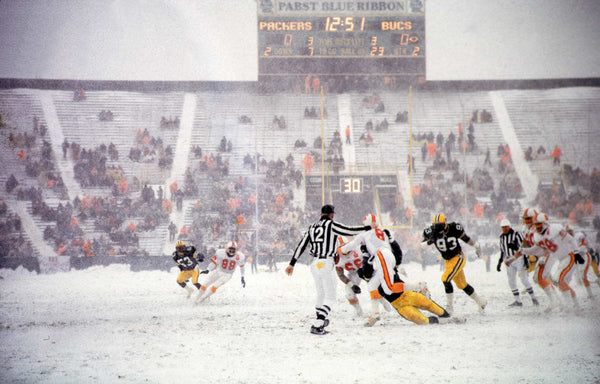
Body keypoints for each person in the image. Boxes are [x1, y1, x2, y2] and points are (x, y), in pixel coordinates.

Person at [285, 204, 372, 335]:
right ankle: (318, 324)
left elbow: (301, 245)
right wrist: (367, 228)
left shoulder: (312, 227)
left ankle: (320, 318)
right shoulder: (331, 225)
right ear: (331, 215)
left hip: (314, 263)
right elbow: (348, 230)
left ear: (321, 214)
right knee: (331, 297)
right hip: (326, 261)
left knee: (321, 293)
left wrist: (292, 263)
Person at [349, 230, 459, 326]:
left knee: (428, 304)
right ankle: (443, 322)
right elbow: (367, 273)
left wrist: (392, 241)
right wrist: (365, 255)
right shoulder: (369, 271)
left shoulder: (386, 262)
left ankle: (448, 317)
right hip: (398, 305)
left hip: (406, 294)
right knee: (421, 320)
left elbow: (398, 256)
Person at [338, 214, 403, 326]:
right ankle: (373, 313)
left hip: (372, 263)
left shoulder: (362, 238)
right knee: (370, 287)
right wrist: (351, 284)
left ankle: (417, 287)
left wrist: (342, 249)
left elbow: (356, 247)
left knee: (386, 288)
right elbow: (396, 247)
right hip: (362, 269)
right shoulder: (383, 232)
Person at [512, 213, 581, 311]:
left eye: (539, 224)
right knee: (559, 282)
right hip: (560, 259)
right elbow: (535, 249)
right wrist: (522, 251)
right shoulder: (538, 236)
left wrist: (576, 251)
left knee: (558, 280)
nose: (537, 227)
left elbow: (570, 239)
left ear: (545, 223)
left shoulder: (555, 229)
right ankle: (573, 304)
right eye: (536, 224)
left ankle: (569, 304)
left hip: (569, 256)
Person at [420, 214, 487, 314]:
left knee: (445, 279)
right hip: (447, 261)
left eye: (440, 225)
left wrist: (477, 246)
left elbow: (466, 239)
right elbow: (422, 245)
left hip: (457, 257)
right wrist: (427, 242)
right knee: (462, 285)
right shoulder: (431, 232)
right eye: (436, 226)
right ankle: (481, 301)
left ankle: (449, 307)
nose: (438, 228)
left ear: (445, 224)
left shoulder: (454, 228)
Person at [497, 219, 538, 307]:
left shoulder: (517, 234)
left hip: (519, 258)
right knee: (511, 281)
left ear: (509, 226)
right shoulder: (501, 237)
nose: (504, 229)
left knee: (523, 279)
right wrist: (499, 262)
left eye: (506, 227)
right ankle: (518, 301)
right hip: (508, 259)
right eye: (503, 227)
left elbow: (524, 247)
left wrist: (515, 247)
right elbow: (502, 250)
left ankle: (534, 298)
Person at [335, 236, 364, 317]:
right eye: (341, 247)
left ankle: (382, 305)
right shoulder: (337, 258)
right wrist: (352, 285)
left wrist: (366, 268)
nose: (345, 249)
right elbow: (340, 275)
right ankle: (359, 310)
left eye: (345, 245)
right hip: (353, 274)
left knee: (377, 287)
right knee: (349, 294)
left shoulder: (357, 248)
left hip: (365, 269)